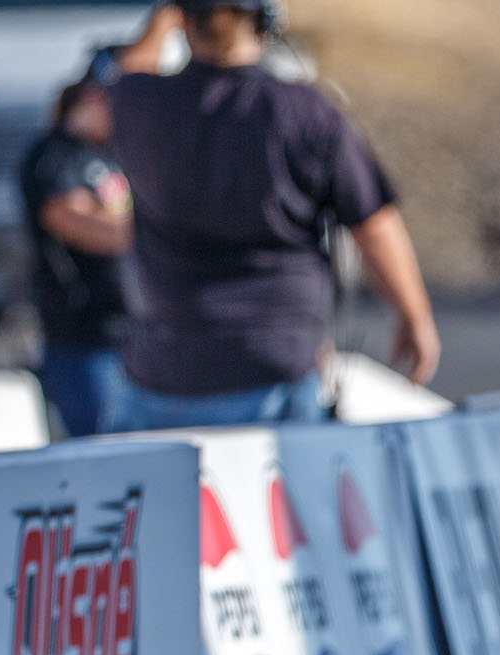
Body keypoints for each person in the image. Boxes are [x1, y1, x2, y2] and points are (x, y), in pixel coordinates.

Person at [101, 1, 440, 432]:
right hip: (275, 367)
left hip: (163, 372)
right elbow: (372, 225)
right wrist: (414, 315)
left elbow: (129, 69)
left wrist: (163, 19)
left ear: (184, 21)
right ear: (264, 23)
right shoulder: (305, 111)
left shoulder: (139, 104)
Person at [18, 56, 133, 438]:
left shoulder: (114, 153)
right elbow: (66, 217)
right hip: (83, 337)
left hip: (130, 332)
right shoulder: (56, 156)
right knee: (100, 446)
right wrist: (155, 233)